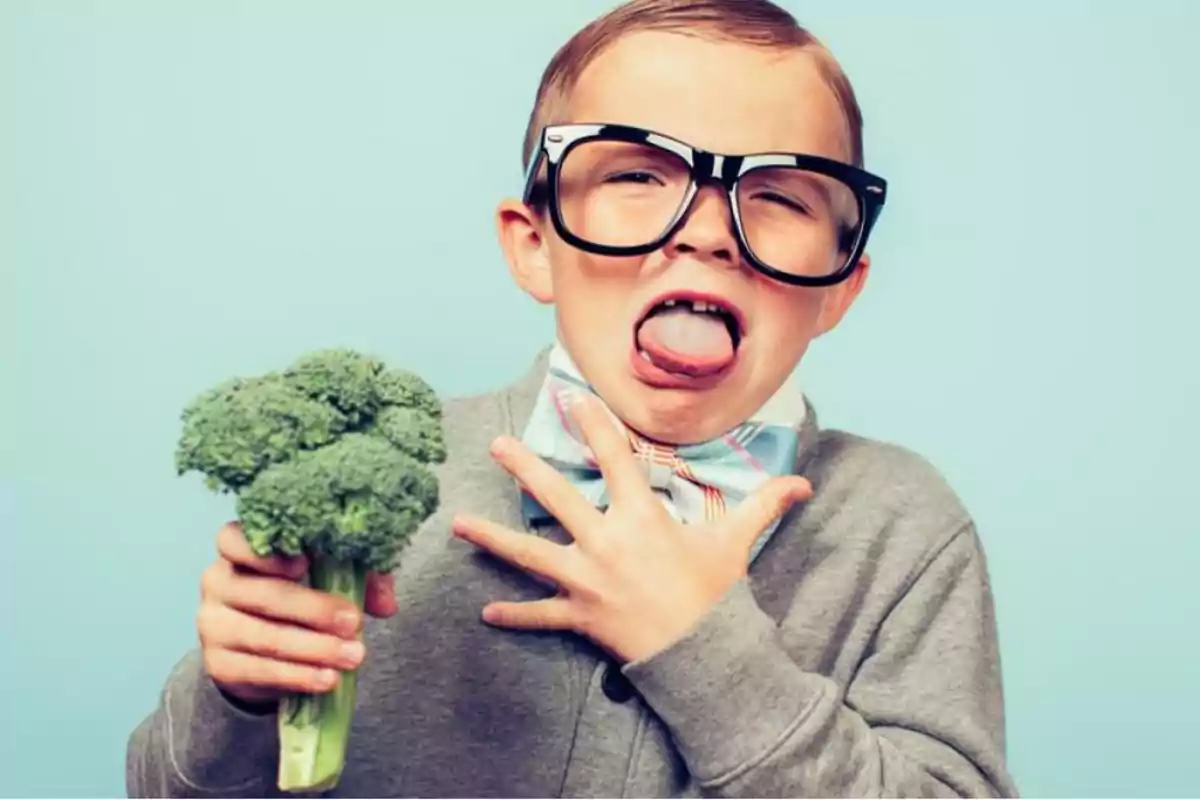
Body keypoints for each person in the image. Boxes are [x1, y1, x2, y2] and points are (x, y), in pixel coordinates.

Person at [126, 0, 1018, 796]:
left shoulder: (901, 528)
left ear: (838, 289)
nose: (709, 233)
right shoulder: (389, 485)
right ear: (533, 246)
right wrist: (237, 695)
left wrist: (703, 646)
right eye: (635, 176)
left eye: (777, 194)